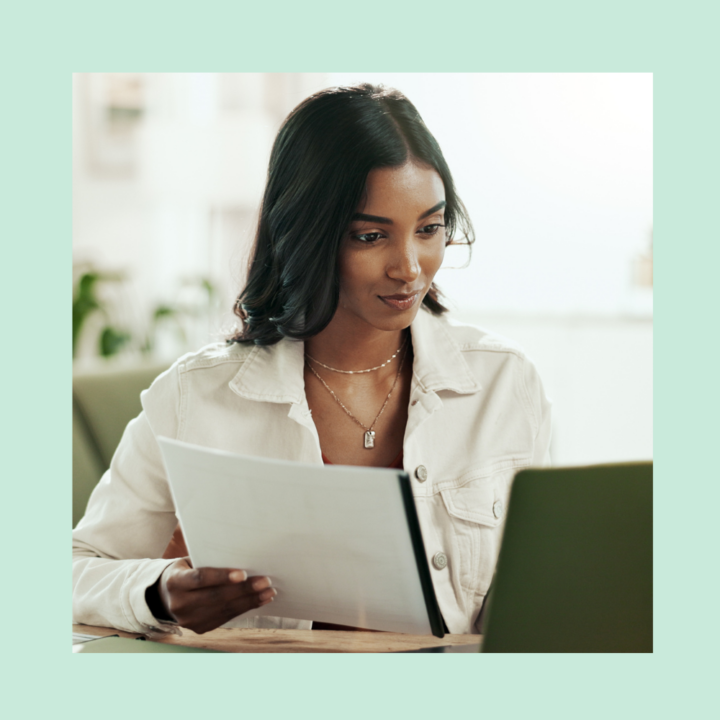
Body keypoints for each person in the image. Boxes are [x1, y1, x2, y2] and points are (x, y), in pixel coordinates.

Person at [72, 84, 551, 636]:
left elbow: (531, 592)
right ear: (306, 233)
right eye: (370, 236)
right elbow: (78, 568)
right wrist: (158, 593)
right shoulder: (194, 397)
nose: (410, 267)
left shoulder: (505, 384)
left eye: (430, 228)